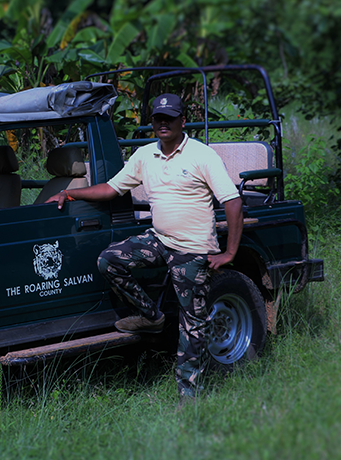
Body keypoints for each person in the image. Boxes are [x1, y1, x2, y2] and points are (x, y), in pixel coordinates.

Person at [46, 93, 243, 399]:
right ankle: (151, 317)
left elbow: (232, 202)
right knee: (110, 260)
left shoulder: (202, 156)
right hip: (160, 240)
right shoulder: (144, 155)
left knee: (192, 326)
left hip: (192, 251)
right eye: (157, 119)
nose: (163, 124)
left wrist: (229, 252)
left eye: (169, 118)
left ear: (182, 121)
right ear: (152, 123)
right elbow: (111, 188)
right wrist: (71, 195)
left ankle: (189, 396)